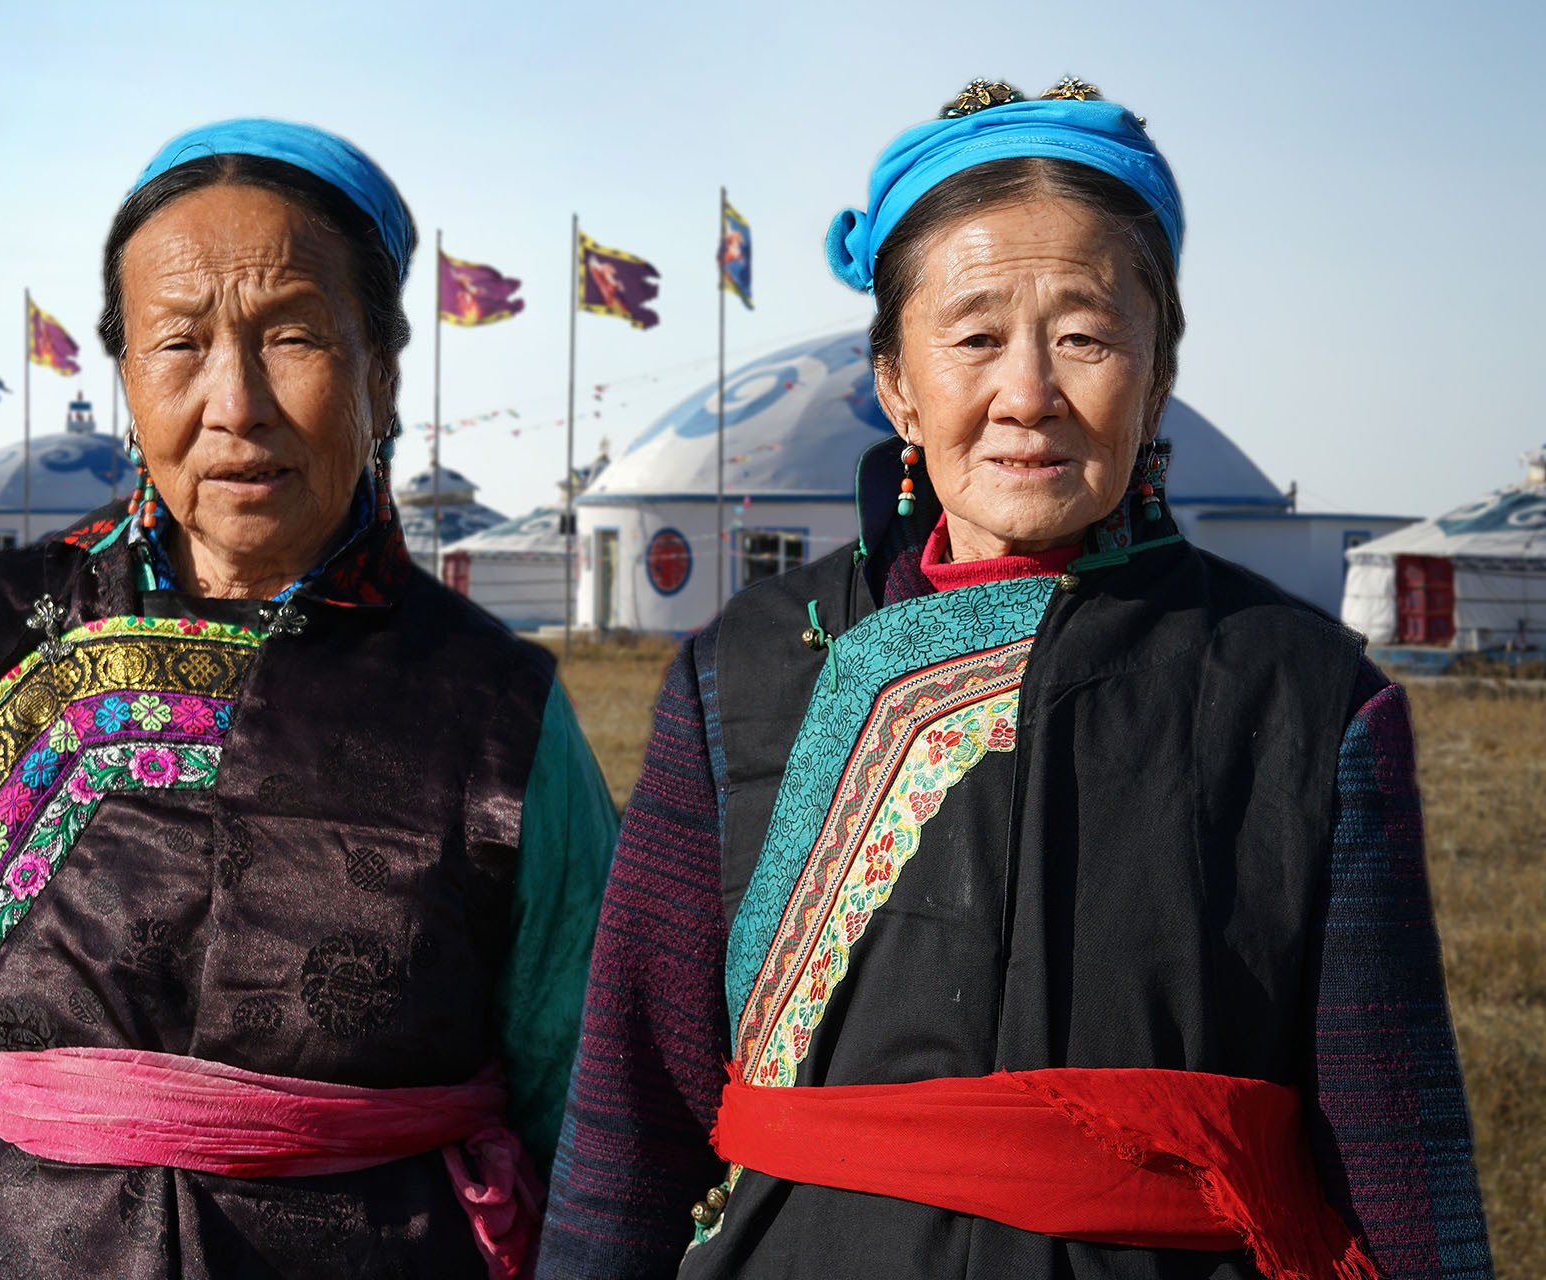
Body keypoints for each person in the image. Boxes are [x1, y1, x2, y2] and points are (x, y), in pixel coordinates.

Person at [537, 79, 1492, 1280]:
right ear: (895, 379)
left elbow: (1397, 1153)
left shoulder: (1308, 695)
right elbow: (633, 1117)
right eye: (975, 335)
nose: (1028, 393)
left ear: (1155, 374)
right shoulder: (739, 673)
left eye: (1086, 335)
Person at [0, 118, 617, 1280]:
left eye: (292, 337)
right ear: (125, 376)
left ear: (381, 368)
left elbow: (591, 1081)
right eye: (178, 344)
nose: (236, 402)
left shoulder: (494, 705)